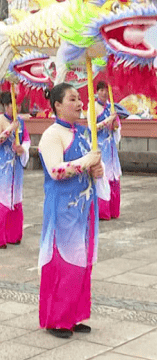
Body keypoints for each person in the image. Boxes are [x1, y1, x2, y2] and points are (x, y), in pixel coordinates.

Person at [38, 83, 103, 339]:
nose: (79, 103)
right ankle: (56, 319)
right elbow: (55, 170)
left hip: (84, 207)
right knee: (64, 262)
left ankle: (74, 315)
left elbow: (92, 167)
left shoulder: (86, 133)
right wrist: (85, 162)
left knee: (81, 262)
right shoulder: (52, 135)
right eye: (73, 99)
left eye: (79, 98)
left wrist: (97, 170)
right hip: (63, 208)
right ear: (57, 105)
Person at [0, 91, 30, 248]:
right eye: (12, 104)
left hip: (16, 168)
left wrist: (22, 149)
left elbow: (27, 140)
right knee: (0, 199)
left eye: (17, 104)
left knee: (15, 199)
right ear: (5, 105)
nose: (16, 107)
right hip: (1, 168)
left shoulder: (21, 121)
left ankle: (13, 235)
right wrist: (10, 129)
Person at [95, 81, 121, 220]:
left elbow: (116, 128)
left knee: (113, 177)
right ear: (97, 91)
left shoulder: (111, 107)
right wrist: (107, 121)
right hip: (100, 148)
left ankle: (113, 210)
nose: (104, 93)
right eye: (101, 90)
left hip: (111, 148)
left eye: (106, 90)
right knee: (102, 177)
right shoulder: (93, 107)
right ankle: (102, 212)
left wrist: (115, 125)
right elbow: (91, 128)